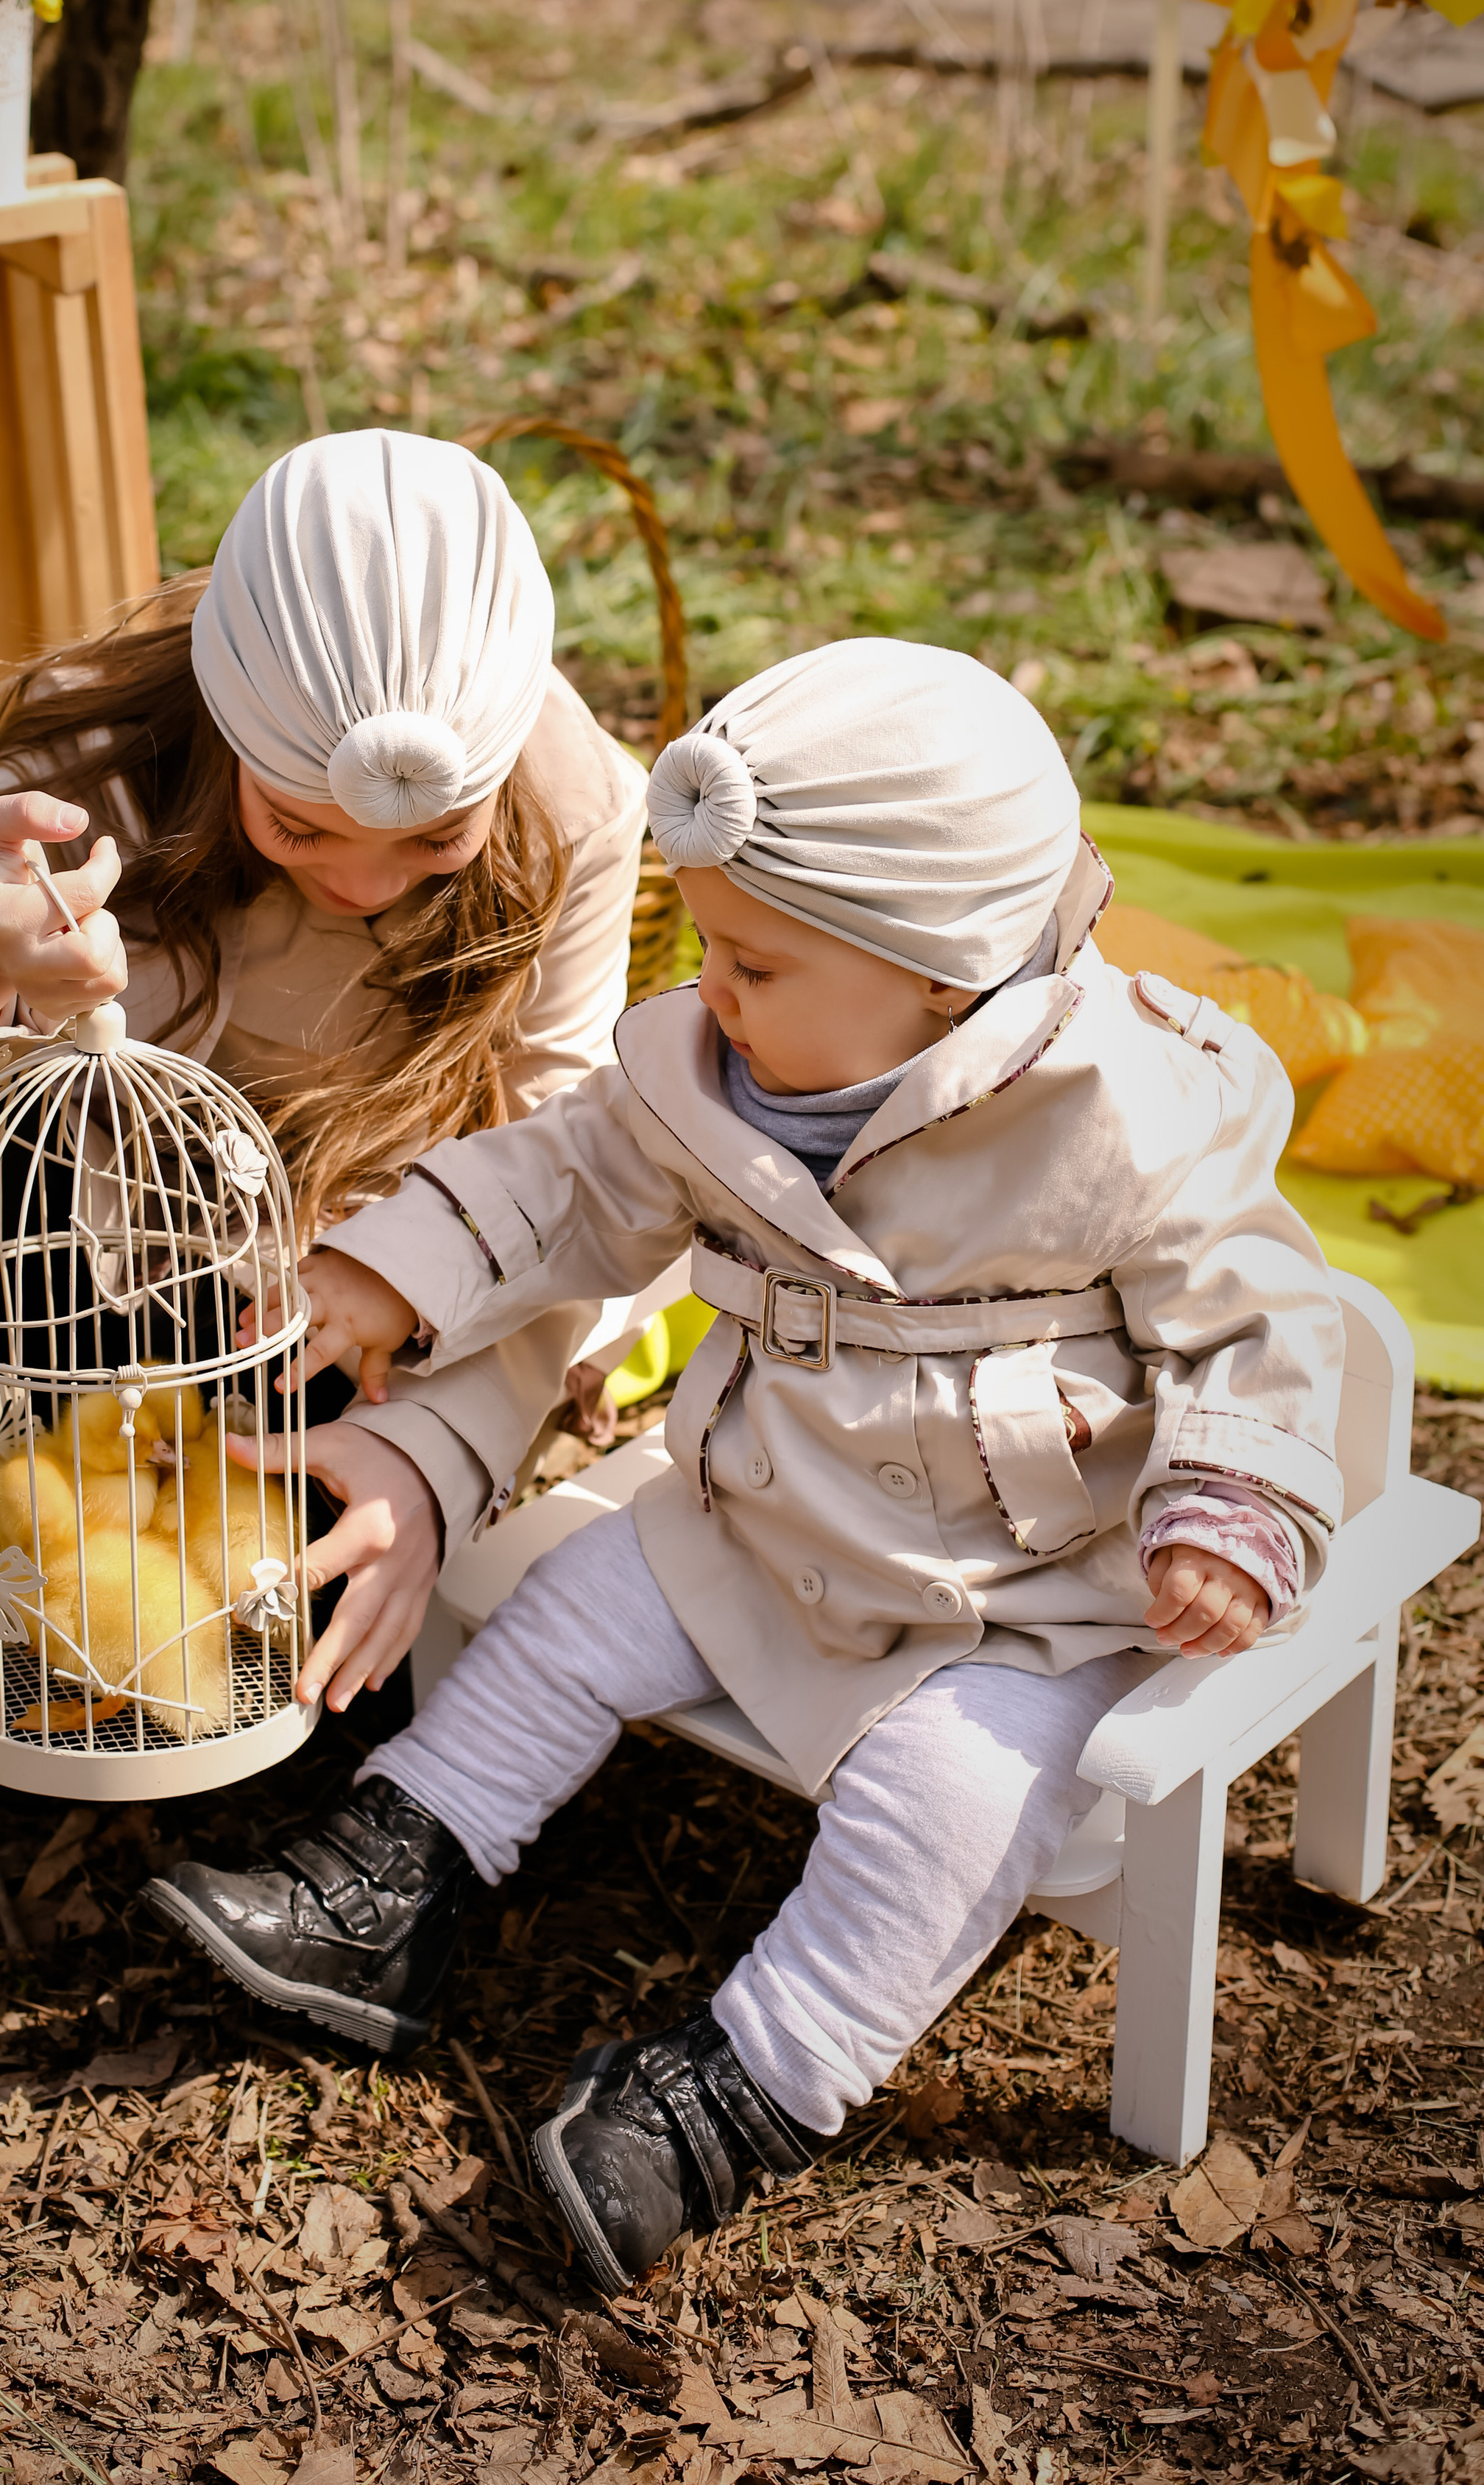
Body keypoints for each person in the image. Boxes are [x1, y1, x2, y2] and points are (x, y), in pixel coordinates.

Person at [144, 636, 1344, 2294]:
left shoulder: (1128, 1114)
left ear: (940, 971)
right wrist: (392, 1269)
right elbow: (564, 1182)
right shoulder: (712, 1073)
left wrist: (1225, 1503)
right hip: (773, 1495)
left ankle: (750, 2086)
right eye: (707, 948)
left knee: (941, 1806)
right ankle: (396, 1877)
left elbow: (1260, 1317)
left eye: (755, 966)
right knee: (569, 1615)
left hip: (1022, 1582)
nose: (711, 990)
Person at [0, 430, 648, 1719]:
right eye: (298, 825)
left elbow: (568, 1167)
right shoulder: (88, 773)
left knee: (339, 1632)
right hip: (60, 1268)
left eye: (438, 842)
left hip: (363, 1302)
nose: (360, 882)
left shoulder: (571, 807)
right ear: (226, 725)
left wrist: (431, 1451)